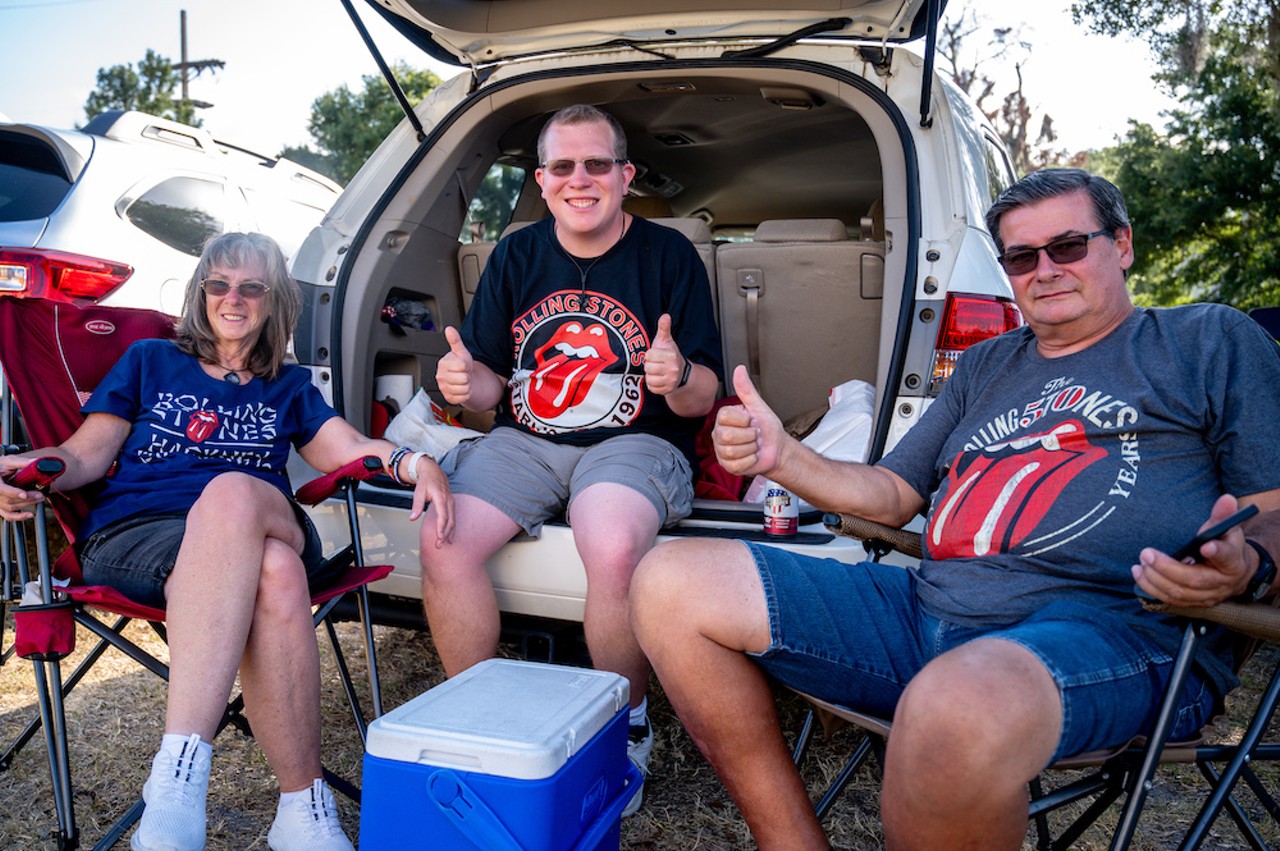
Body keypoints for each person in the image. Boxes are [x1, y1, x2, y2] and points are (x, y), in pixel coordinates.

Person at [629, 169, 1280, 850]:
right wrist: (785, 456)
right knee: (669, 582)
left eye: (1068, 246)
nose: (1046, 270)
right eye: (1023, 257)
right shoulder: (987, 365)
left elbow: (1272, 510)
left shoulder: (1207, 340)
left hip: (1109, 627)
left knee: (952, 705)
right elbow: (892, 493)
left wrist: (1246, 565)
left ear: (1122, 244)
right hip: (928, 608)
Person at [0, 232, 454, 851]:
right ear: (200, 293)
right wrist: (24, 468)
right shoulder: (148, 362)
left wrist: (413, 462)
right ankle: (303, 809)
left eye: (251, 286)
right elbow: (83, 456)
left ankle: (177, 779)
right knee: (275, 571)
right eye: (218, 284)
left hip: (259, 513)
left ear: (274, 302)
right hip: (138, 537)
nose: (232, 297)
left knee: (234, 493)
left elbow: (348, 450)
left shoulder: (288, 387)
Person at [418, 103, 722, 814]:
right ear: (542, 178)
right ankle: (484, 719)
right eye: (562, 166)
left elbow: (700, 396)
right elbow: (491, 382)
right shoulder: (518, 253)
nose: (578, 179)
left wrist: (676, 375)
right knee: (445, 535)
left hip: (635, 442)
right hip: (525, 441)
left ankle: (626, 723)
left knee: (610, 541)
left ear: (625, 175)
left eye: (595, 164)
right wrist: (467, 384)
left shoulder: (668, 255)